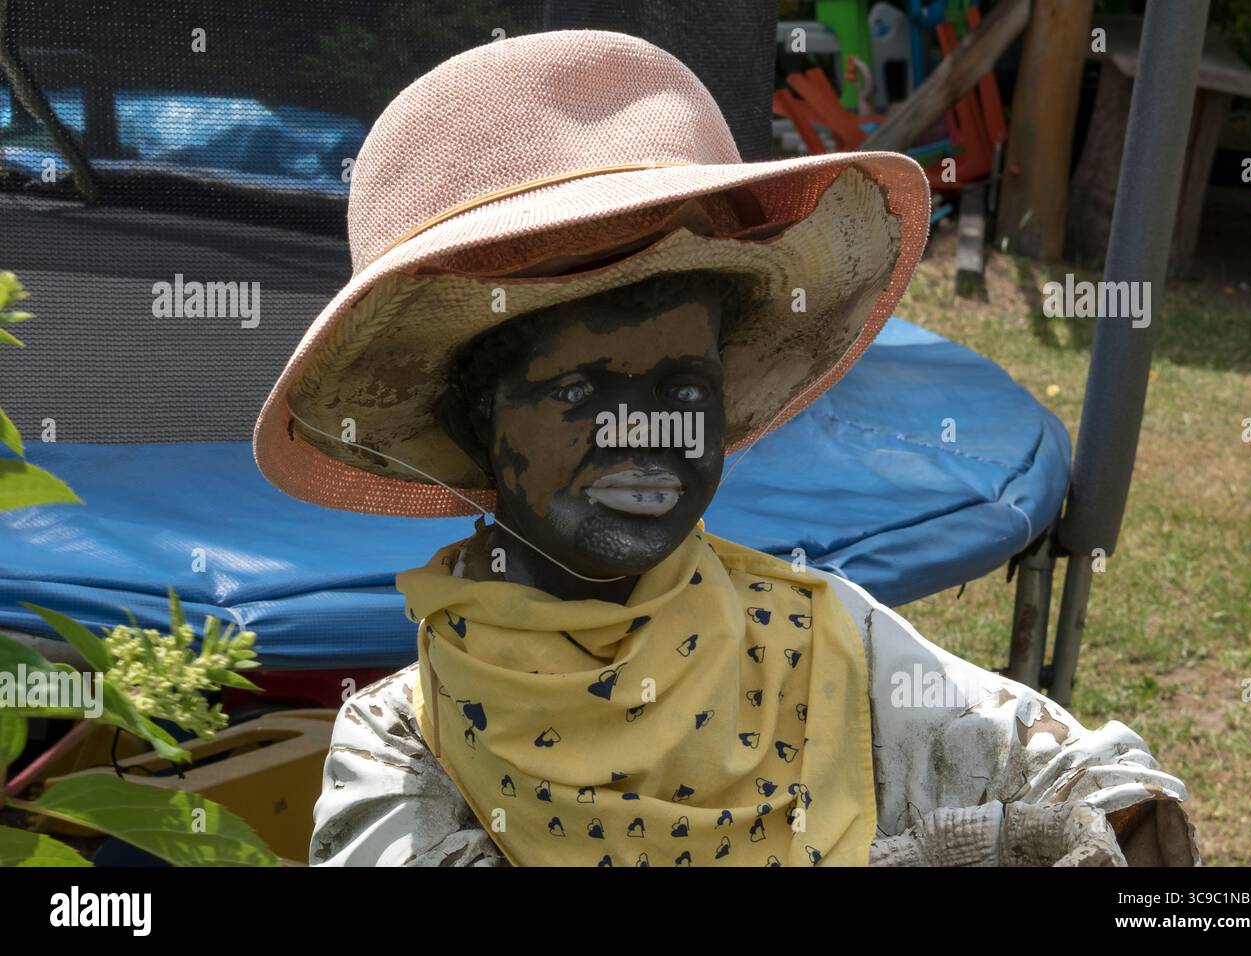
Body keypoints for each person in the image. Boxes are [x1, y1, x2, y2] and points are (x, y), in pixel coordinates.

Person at [254, 30, 1199, 867]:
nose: (648, 432)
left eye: (683, 388)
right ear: (473, 428)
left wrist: (1092, 831)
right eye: (579, 391)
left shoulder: (822, 634)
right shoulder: (405, 745)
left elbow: (1094, 778)